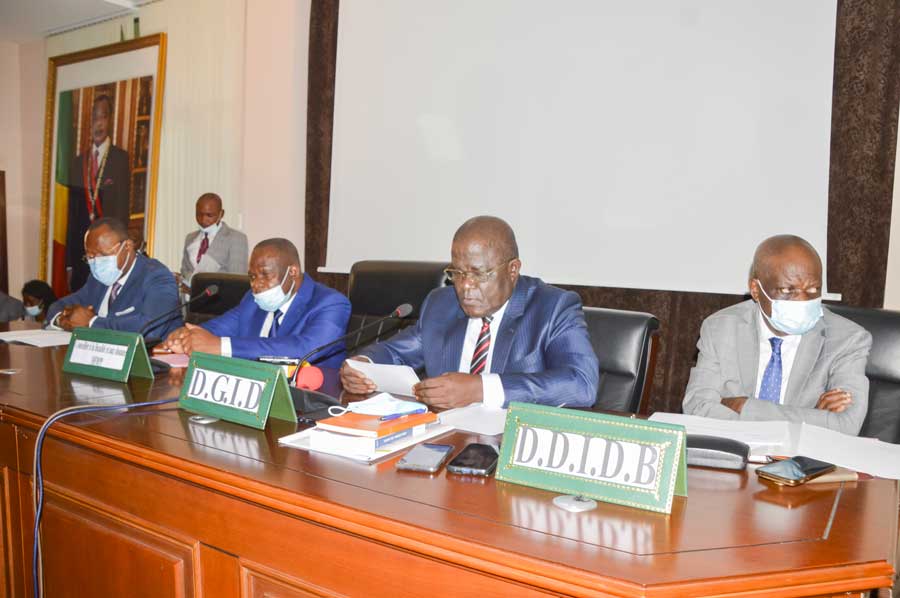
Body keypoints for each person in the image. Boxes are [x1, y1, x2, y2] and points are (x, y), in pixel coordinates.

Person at [340, 216, 599, 409]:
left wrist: (481, 389)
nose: (465, 286)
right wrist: (363, 365)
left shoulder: (553, 307)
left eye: (479, 274)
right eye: (458, 273)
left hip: (509, 445)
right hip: (444, 437)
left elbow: (581, 385)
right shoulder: (441, 304)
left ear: (513, 270)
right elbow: (395, 352)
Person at [682, 235, 871, 435]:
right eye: (788, 290)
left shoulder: (848, 339)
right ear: (756, 290)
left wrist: (744, 406)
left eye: (813, 289)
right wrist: (810, 418)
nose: (802, 300)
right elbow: (697, 407)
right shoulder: (721, 328)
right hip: (734, 447)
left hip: (802, 454)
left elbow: (847, 425)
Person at [159, 238, 350, 366]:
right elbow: (219, 328)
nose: (256, 285)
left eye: (265, 275)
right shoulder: (253, 300)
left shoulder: (331, 304)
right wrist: (187, 337)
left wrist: (222, 346)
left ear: (292, 272)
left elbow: (304, 349)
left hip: (313, 401)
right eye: (252, 276)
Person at [47, 217, 182, 339]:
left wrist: (92, 323)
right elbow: (58, 306)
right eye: (90, 257)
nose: (96, 263)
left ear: (127, 246)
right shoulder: (98, 277)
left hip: (149, 356)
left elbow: (150, 328)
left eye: (103, 255)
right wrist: (62, 320)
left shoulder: (157, 276)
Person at [66, 94, 131, 292]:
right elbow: (71, 215)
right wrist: (69, 263)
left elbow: (122, 210)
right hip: (82, 255)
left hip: (107, 255)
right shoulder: (78, 162)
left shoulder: (120, 159)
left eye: (103, 116)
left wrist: (119, 254)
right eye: (95, 117)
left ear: (110, 120)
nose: (99, 123)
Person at [177, 193, 249, 295]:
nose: (203, 220)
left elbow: (238, 283)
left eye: (209, 215)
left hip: (222, 302)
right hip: (192, 302)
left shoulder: (236, 238)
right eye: (199, 214)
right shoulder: (190, 238)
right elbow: (185, 271)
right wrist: (180, 280)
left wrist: (198, 291)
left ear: (221, 214)